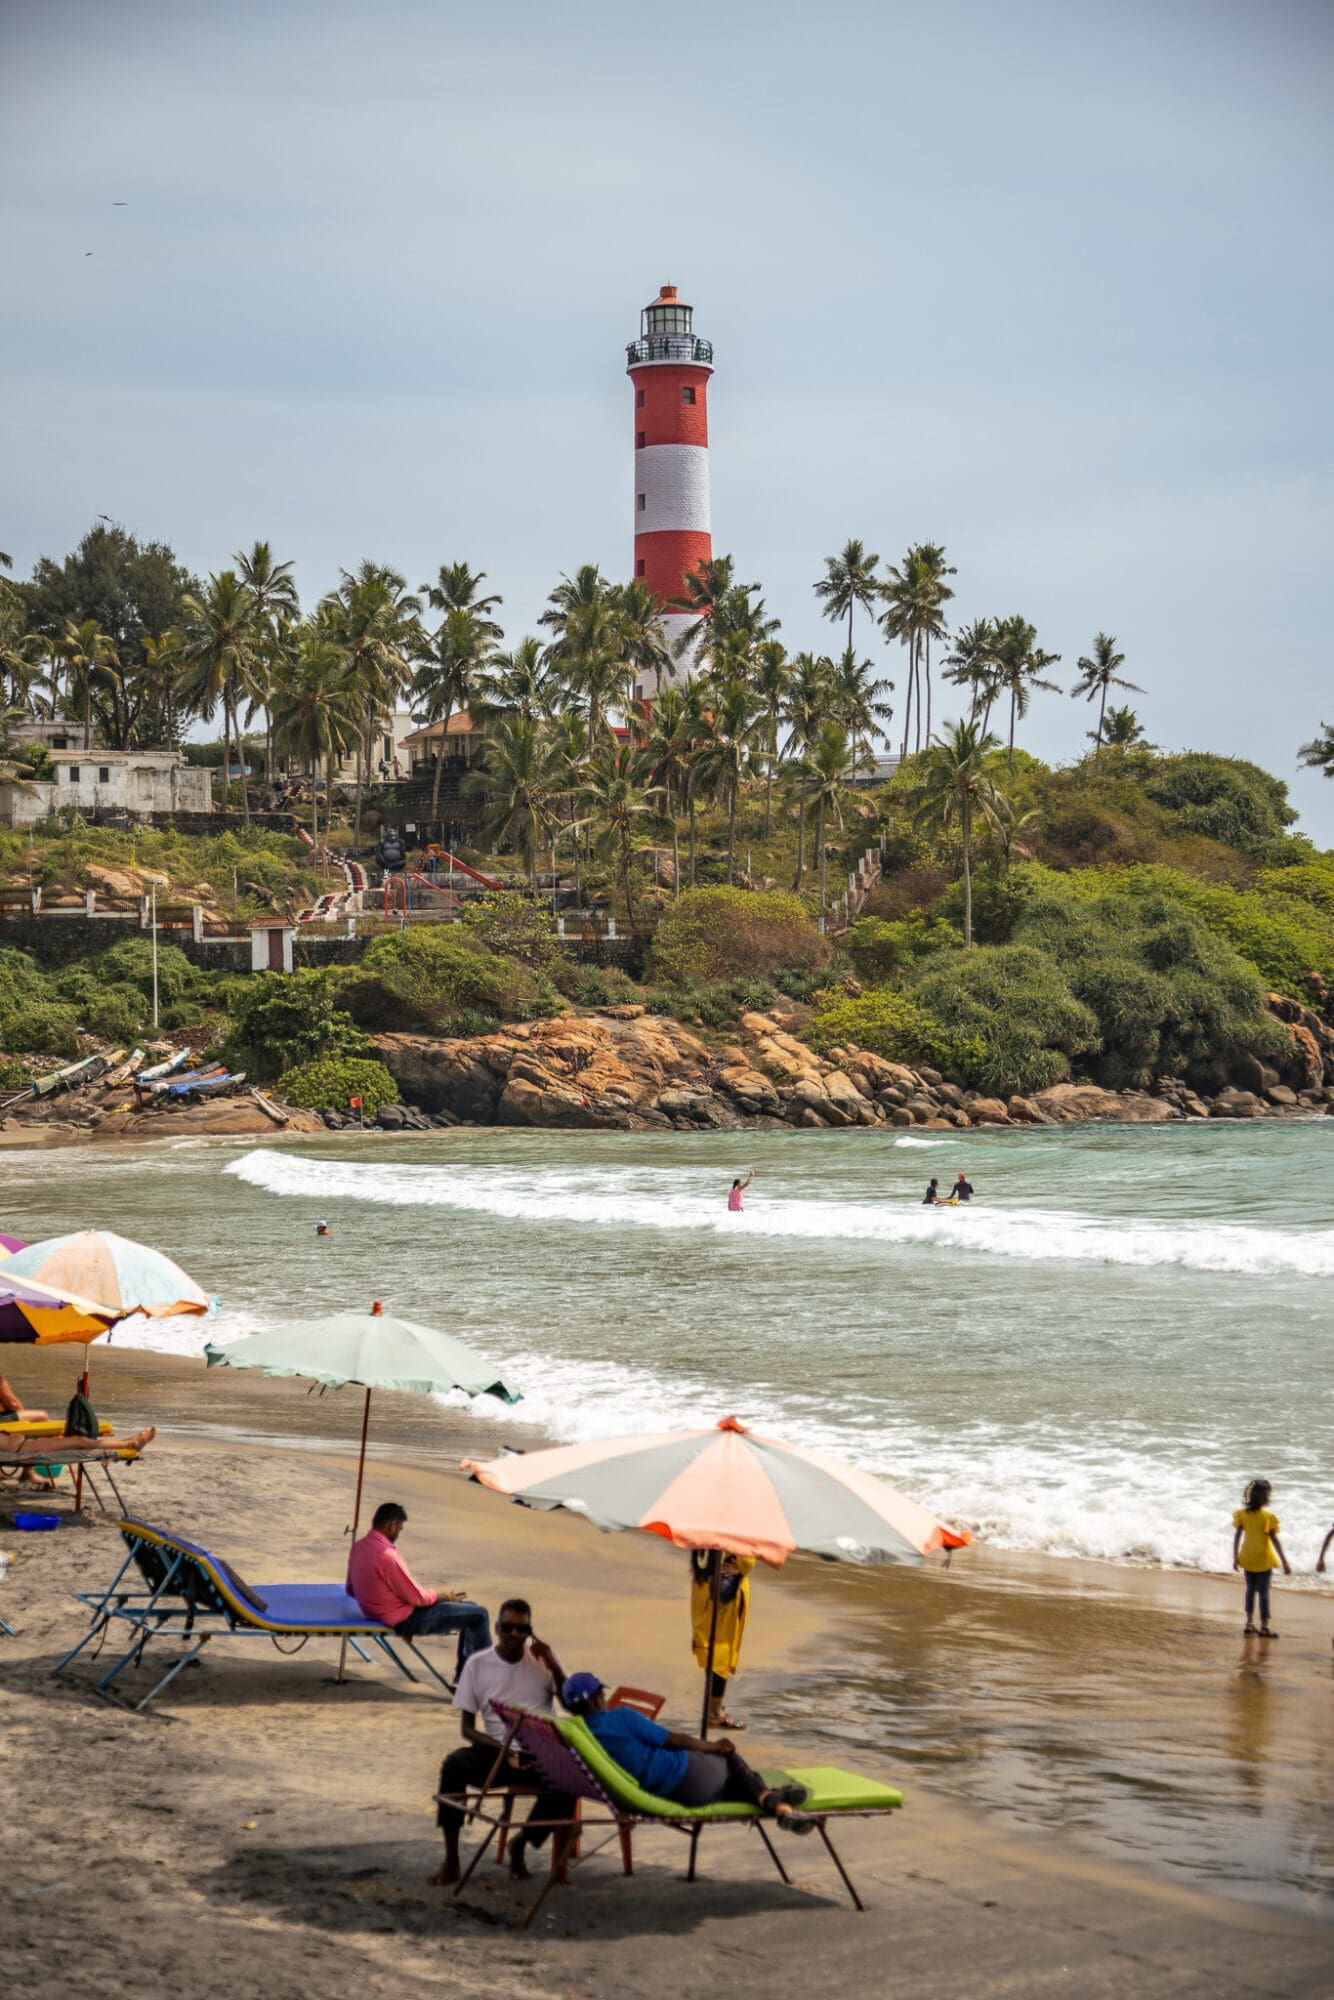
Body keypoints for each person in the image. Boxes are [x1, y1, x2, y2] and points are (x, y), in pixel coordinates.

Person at [433, 1597, 574, 1886]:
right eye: (508, 1628)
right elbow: (467, 1729)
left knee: (570, 1779)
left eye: (522, 1630)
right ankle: (451, 1860)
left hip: (539, 1752)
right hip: (495, 1753)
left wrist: (552, 1664)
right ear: (496, 1628)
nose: (514, 1635)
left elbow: (571, 1705)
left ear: (530, 1632)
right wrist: (504, 1750)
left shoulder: (544, 1661)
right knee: (454, 1766)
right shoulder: (478, 1664)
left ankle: (522, 1842)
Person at [562, 1673, 815, 1833]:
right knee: (730, 1758)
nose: (605, 1698)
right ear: (596, 1699)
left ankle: (778, 1801)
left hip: (671, 1794)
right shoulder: (620, 1717)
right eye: (602, 1694)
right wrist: (716, 1746)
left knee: (736, 1781)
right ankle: (773, 1801)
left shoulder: (580, 1737)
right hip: (685, 1775)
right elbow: (675, 1740)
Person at [346, 1501, 491, 1675]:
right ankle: (490, 1679)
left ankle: (463, 1679)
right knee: (479, 1614)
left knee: (472, 1608)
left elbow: (350, 1590)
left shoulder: (359, 1547)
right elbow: (417, 1598)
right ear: (391, 1525)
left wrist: (380, 1599)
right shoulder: (386, 1555)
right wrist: (447, 1596)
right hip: (406, 1619)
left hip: (381, 1613)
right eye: (400, 1529)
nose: (398, 1533)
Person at [690, 1550, 754, 1729]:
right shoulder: (737, 1525)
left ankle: (713, 1708)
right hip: (723, 1594)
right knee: (720, 1653)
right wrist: (742, 1566)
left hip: (704, 1583)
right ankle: (715, 1713)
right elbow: (747, 1559)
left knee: (710, 1648)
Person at [1232, 1479, 1290, 1637]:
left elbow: (1237, 1536)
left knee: (1250, 1591)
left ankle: (1249, 1623)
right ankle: (1265, 1626)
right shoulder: (1268, 1516)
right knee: (1263, 1593)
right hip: (1264, 1560)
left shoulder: (1242, 1514)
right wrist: (1284, 1561)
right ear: (1266, 1498)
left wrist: (1235, 1556)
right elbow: (1275, 1540)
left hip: (1248, 1558)